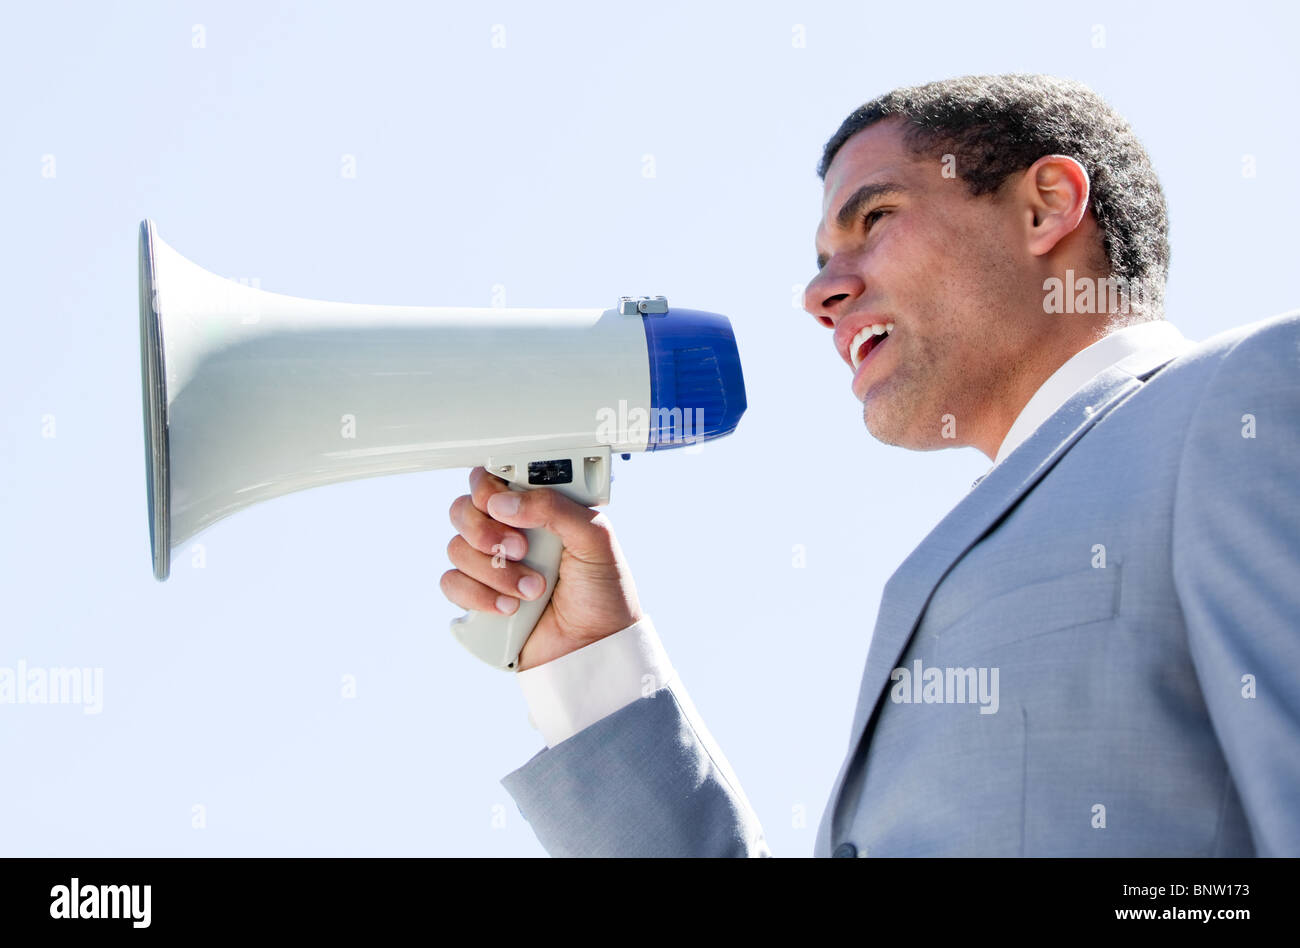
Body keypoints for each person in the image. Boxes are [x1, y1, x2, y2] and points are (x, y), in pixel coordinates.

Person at [439, 74, 1300, 856]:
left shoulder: (1252, 396)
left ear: (1046, 207)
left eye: (875, 218)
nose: (820, 295)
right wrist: (590, 662)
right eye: (819, 263)